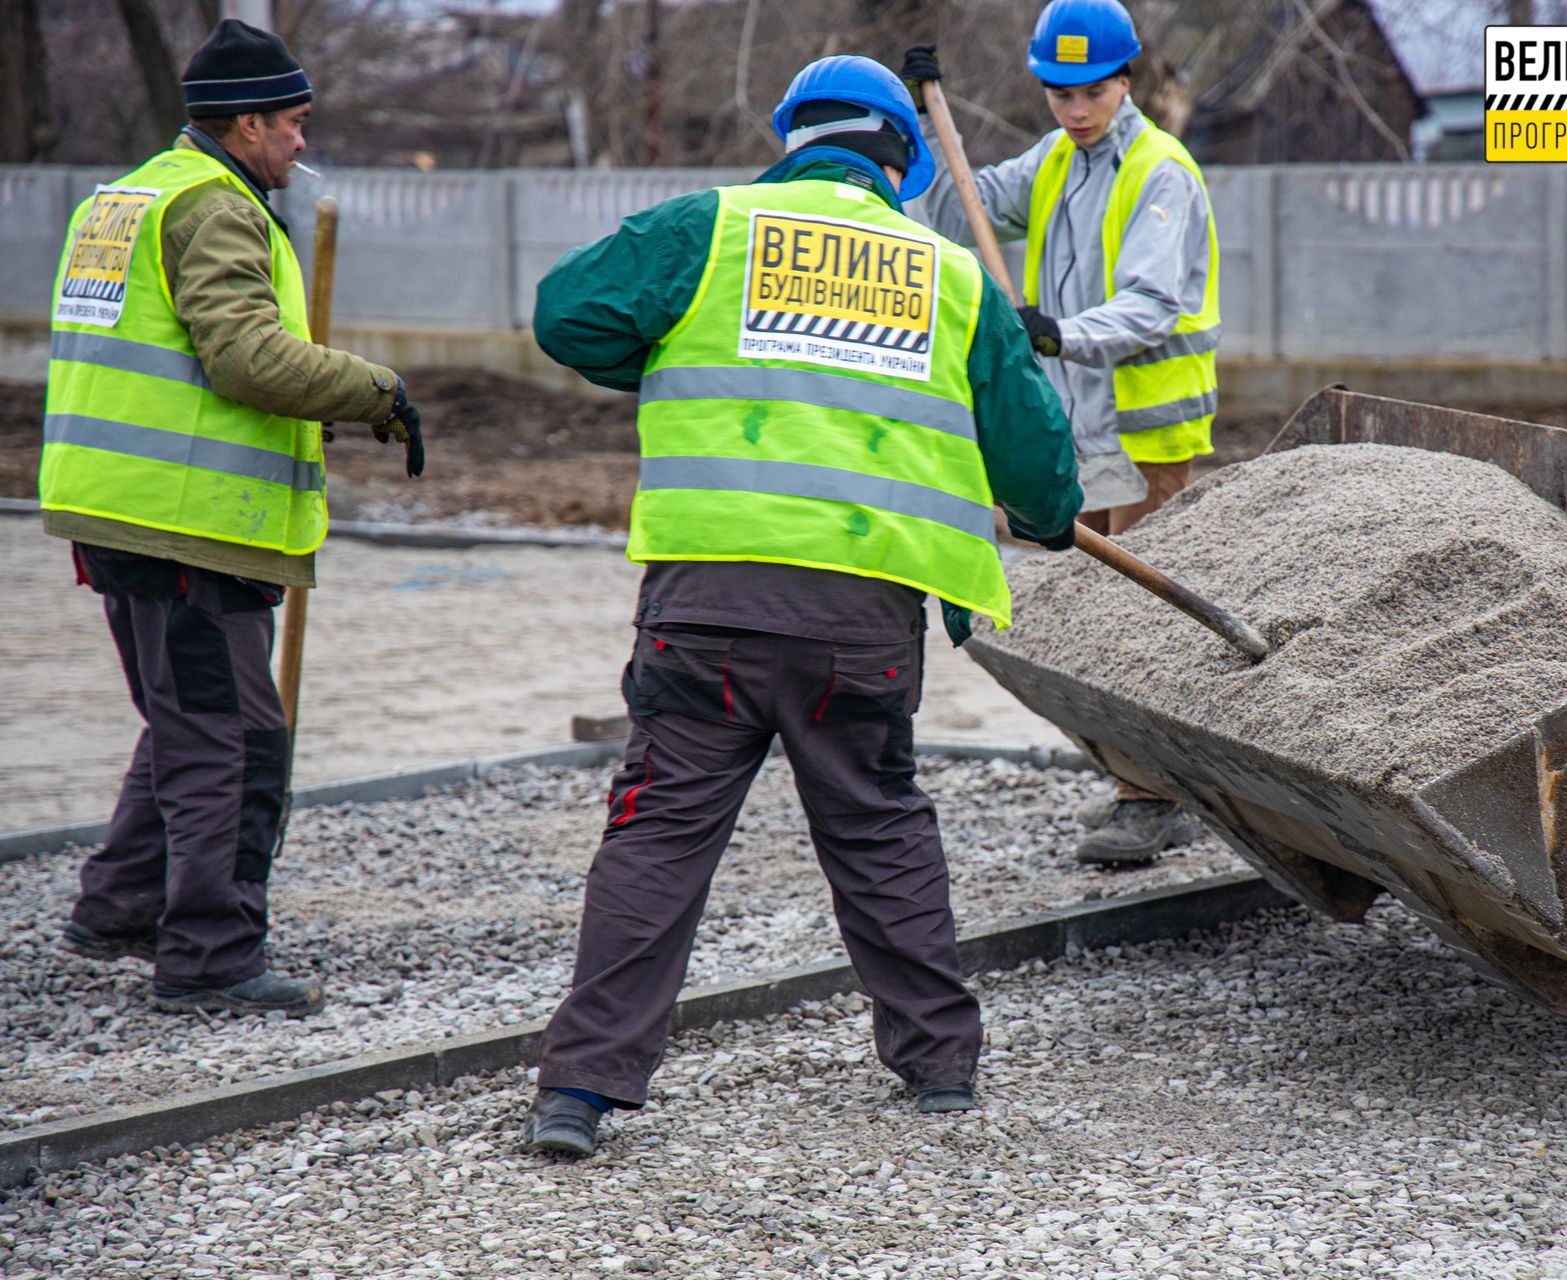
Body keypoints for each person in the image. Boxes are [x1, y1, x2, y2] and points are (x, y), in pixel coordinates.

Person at [520, 55, 1082, 1156]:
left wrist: (673, 348)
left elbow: (566, 316)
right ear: (899, 162)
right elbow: (1036, 463)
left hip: (706, 605)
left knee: (658, 835)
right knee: (877, 825)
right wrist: (1051, 516)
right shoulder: (951, 276)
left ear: (793, 141)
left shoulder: (708, 231)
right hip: (858, 623)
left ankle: (580, 1089)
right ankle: (939, 1069)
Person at [44, 19, 425, 1017]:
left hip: (118, 505)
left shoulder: (131, 195)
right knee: (236, 741)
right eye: (292, 122)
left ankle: (122, 905)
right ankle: (209, 954)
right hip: (190, 519)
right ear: (246, 123)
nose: (302, 141)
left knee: (188, 720)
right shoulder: (214, 208)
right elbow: (246, 357)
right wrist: (374, 390)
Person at [902, 0, 1217, 868]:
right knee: (1099, 618)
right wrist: (921, 128)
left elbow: (1152, 306)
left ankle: (1153, 799)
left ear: (1126, 81)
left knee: (1142, 623)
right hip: (1083, 431)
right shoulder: (1053, 161)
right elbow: (956, 209)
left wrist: (1059, 334)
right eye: (1059, 93)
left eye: (1091, 92)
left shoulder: (1161, 172)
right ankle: (1139, 780)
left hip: (1148, 438)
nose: (1076, 110)